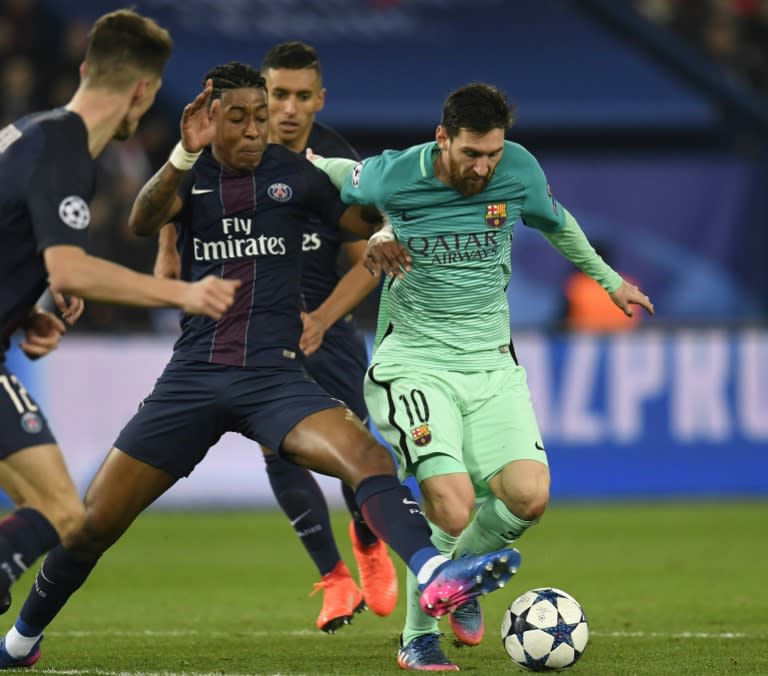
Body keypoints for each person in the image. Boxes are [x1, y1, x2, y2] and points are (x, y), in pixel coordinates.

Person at [0, 64, 520, 669]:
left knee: (369, 459)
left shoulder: (295, 175)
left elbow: (358, 219)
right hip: (193, 378)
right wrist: (181, 154)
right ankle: (20, 641)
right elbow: (143, 220)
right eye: (238, 117)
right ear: (211, 118)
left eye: (260, 117)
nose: (253, 130)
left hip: (275, 379)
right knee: (92, 524)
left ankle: (435, 573)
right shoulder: (189, 178)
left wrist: (381, 228)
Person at [313, 82, 655, 670]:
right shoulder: (397, 175)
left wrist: (609, 281)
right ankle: (418, 637)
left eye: (492, 153)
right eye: (472, 154)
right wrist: (359, 210)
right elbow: (341, 174)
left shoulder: (516, 169)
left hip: (493, 363)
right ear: (442, 138)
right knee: (451, 505)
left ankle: (462, 583)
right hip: (415, 362)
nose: (483, 167)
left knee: (528, 497)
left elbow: (558, 222)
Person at [0, 8, 238, 624]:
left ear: (85, 68)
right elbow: (74, 270)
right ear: (144, 90)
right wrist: (183, 295)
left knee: (55, 516)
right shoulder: (66, 149)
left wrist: (28, 308)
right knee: (61, 516)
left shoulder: (32, 131)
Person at [153, 42, 397, 633]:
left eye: (299, 97)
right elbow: (173, 200)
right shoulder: (218, 145)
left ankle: (369, 542)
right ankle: (334, 578)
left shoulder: (333, 159)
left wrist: (321, 319)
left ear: (318, 101)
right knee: (276, 447)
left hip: (325, 324)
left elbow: (369, 258)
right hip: (255, 327)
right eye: (277, 95)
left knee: (357, 450)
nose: (286, 109)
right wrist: (165, 254)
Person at [561, 240, 643, 331]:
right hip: (624, 340)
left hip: (585, 340)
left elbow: (565, 321)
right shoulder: (628, 284)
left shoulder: (578, 285)